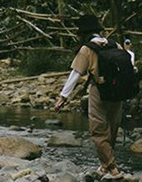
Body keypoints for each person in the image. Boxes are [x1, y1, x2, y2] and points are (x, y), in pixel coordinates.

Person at [53, 13, 133, 180]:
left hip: (99, 91)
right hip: (117, 91)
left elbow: (75, 74)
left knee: (98, 131)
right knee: (111, 129)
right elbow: (129, 61)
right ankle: (105, 166)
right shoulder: (114, 44)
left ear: (82, 33)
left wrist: (62, 97)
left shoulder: (87, 49)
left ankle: (113, 169)